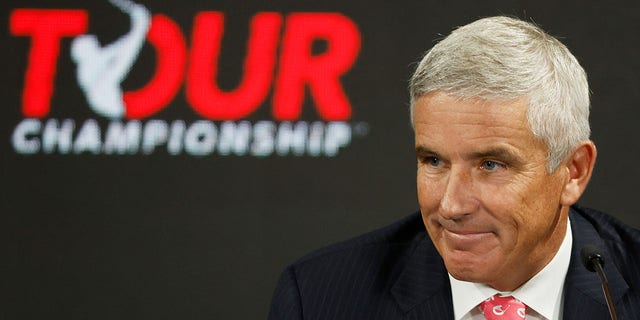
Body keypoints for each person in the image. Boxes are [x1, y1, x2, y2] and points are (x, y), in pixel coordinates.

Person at [267, 16, 640, 319]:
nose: (450, 206)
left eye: (491, 164)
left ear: (573, 171)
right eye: (433, 161)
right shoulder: (320, 298)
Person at [71, 0, 150, 119]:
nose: (94, 42)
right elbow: (123, 56)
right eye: (89, 43)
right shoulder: (88, 70)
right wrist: (140, 25)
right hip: (110, 113)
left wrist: (140, 24)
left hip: (115, 112)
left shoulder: (96, 61)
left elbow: (121, 48)